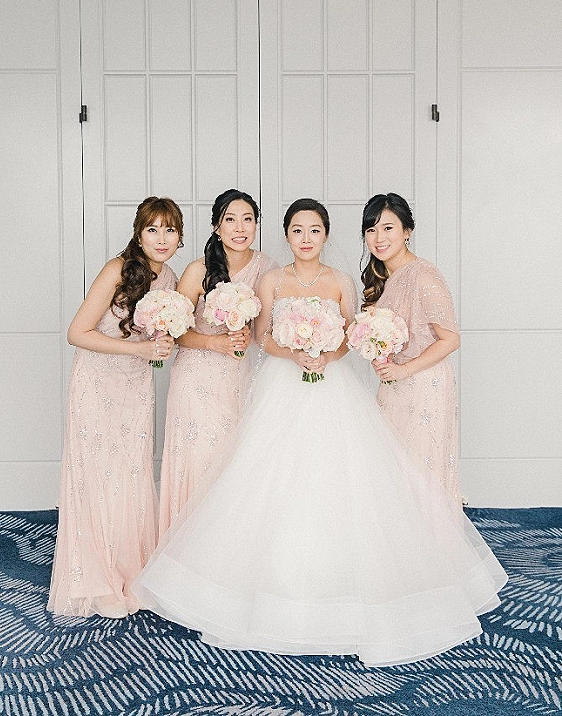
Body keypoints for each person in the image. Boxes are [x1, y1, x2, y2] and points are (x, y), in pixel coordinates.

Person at [133, 198, 506, 667]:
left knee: (343, 478)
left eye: (314, 230)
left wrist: (326, 354)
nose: (305, 238)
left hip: (332, 384)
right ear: (286, 235)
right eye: (296, 230)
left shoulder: (341, 280)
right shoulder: (272, 279)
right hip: (282, 383)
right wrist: (294, 353)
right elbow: (264, 338)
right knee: (265, 478)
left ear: (326, 235)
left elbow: (351, 335)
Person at [48, 196, 183, 618]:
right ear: (138, 234)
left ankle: (128, 569)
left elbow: (162, 338)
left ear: (180, 237)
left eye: (170, 229)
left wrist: (161, 343)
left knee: (131, 473)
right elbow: (77, 332)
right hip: (97, 382)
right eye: (152, 229)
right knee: (97, 473)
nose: (161, 238)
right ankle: (95, 578)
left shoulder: (170, 278)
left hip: (136, 386)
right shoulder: (117, 270)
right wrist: (138, 349)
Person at [158, 188, 275, 534]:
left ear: (256, 225)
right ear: (216, 227)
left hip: (240, 376)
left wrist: (248, 335)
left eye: (247, 220)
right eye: (230, 220)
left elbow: (266, 330)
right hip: (196, 379)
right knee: (198, 461)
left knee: (234, 460)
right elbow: (176, 332)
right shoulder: (198, 270)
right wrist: (214, 342)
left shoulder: (267, 268)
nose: (240, 228)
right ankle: (186, 543)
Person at [361, 193, 461, 503]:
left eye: (388, 228)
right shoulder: (385, 277)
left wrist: (403, 370)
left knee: (419, 472)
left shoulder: (423, 276)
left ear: (407, 231)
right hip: (393, 383)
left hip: (424, 384)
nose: (379, 238)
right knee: (393, 471)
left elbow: (450, 339)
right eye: (372, 230)